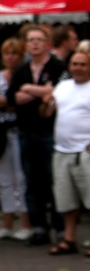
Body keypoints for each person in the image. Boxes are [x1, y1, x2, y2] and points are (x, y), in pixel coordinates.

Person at [7, 24, 67, 246]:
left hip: (50, 132)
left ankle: (60, 228)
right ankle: (39, 226)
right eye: (30, 39)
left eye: (39, 39)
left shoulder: (58, 66)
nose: (34, 43)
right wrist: (40, 91)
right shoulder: (21, 70)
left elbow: (58, 93)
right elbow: (13, 97)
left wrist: (28, 90)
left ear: (48, 43)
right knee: (31, 181)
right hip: (26, 132)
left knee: (53, 180)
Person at [0, 37, 32, 241]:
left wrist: (5, 102)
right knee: (4, 179)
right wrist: (11, 101)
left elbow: (26, 101)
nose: (10, 57)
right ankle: (6, 223)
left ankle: (26, 223)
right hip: (2, 133)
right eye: (7, 53)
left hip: (21, 131)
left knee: (22, 178)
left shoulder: (26, 75)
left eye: (15, 53)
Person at [44, 50, 90, 255]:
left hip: (85, 151)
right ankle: (69, 239)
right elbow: (47, 114)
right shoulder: (62, 87)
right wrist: (46, 105)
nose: (78, 68)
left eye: (83, 64)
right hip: (62, 150)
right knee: (66, 200)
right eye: (74, 64)